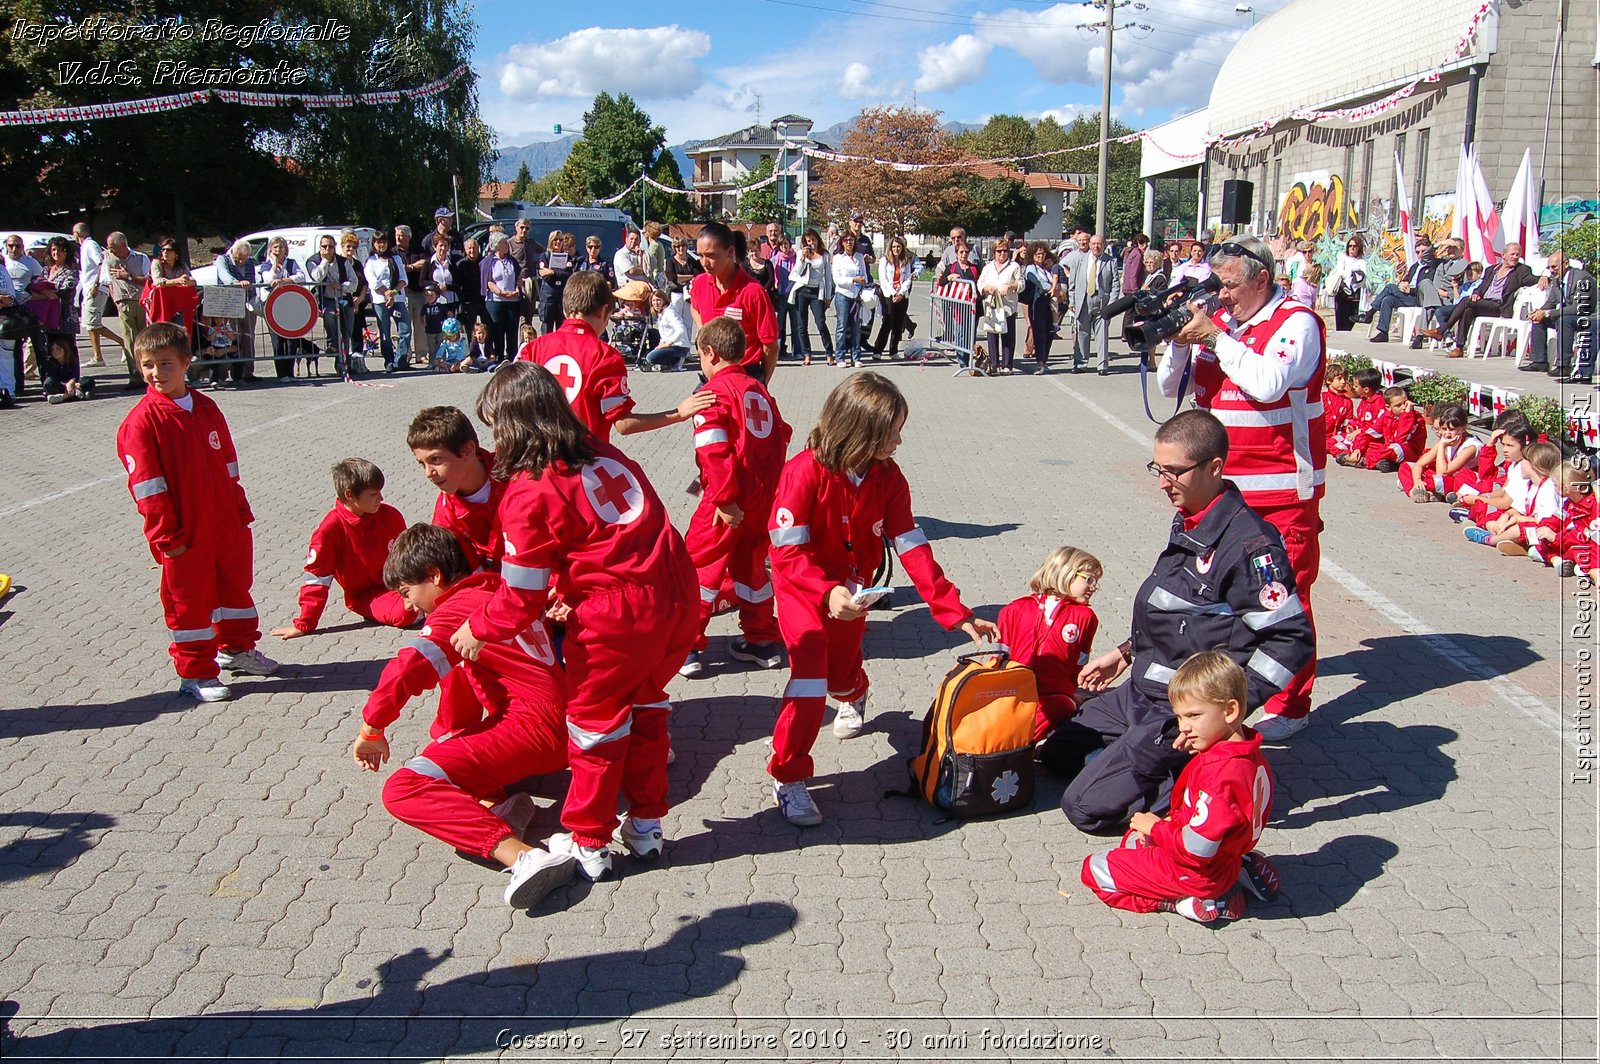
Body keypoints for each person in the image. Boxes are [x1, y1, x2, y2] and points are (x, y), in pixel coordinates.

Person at [449, 362, 700, 879]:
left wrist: (478, 629)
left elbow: (518, 599)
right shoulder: (606, 452)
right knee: (648, 706)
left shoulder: (529, 490)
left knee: (593, 727)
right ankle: (647, 825)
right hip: (676, 591)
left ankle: (589, 841)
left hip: (621, 616)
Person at [1038, 411, 1311, 831]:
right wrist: (1124, 654)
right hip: (1142, 692)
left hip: (1178, 709)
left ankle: (1198, 773)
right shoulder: (1194, 515)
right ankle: (1141, 756)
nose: (1163, 482)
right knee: (1056, 753)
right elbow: (1180, 612)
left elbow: (1290, 638)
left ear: (1214, 468)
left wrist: (1220, 714)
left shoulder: (1251, 546)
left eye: (1173, 472)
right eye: (1158, 469)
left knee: (1085, 808)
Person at [765, 372, 1000, 825]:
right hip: (802, 588)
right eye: (892, 432)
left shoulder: (888, 476)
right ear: (861, 430)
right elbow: (786, 552)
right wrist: (825, 590)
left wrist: (955, 612)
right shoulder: (803, 472)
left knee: (840, 672)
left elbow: (910, 543)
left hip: (855, 587)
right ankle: (789, 775)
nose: (899, 441)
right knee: (810, 675)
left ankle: (855, 692)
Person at [351, 523, 579, 911]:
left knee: (404, 789)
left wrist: (372, 726)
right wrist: (449, 741)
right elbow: (457, 690)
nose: (407, 606)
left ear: (435, 576)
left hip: (532, 728)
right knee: (447, 750)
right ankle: (499, 808)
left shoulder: (455, 610)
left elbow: (410, 667)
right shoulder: (497, 592)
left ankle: (524, 857)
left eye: (408, 592)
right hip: (563, 722)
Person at [1162, 236, 1325, 741]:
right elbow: (1172, 387)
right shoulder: (1225, 327)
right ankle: (1220, 695)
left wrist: (1214, 336)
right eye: (1218, 285)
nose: (1222, 295)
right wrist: (1176, 340)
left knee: (1282, 600)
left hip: (1279, 493)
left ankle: (1290, 705)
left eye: (1230, 285)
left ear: (1262, 279)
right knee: (1215, 596)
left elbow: (1269, 383)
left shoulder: (1297, 322)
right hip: (1220, 493)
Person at [115, 322, 280, 702]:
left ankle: (236, 650)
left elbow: (228, 465)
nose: (157, 373)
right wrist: (165, 537)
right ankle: (195, 673)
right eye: (148, 365)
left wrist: (239, 510)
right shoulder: (141, 423)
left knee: (233, 590)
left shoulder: (205, 407)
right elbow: (147, 489)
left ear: (186, 362)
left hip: (225, 524)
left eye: (166, 364)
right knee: (189, 604)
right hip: (184, 532)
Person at [1079, 651, 1279, 925]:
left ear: (1229, 711)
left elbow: (1198, 849)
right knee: (1132, 842)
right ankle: (1239, 868)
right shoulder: (1248, 754)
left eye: (1194, 716)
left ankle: (1193, 901)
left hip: (1198, 869)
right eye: (1180, 717)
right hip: (1223, 854)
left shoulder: (1220, 776)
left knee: (1095, 869)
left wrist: (1157, 828)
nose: (1184, 727)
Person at [680, 317, 793, 678]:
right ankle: (761, 641)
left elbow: (714, 449)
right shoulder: (758, 389)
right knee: (752, 570)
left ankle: (685, 646)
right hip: (764, 496)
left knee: (698, 568)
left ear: (710, 353)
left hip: (727, 498)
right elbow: (782, 434)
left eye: (700, 356)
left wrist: (725, 499)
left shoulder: (712, 393)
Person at [521, 271, 713, 444]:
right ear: (605, 311)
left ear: (564, 310)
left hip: (534, 463)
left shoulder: (531, 349)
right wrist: (678, 413)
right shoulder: (605, 356)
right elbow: (624, 424)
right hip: (584, 465)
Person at [269, 458, 416, 639]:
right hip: (368, 595)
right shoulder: (330, 529)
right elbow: (317, 579)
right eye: (373, 494)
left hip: (401, 585)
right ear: (349, 495)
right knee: (406, 613)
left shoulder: (391, 515)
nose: (381, 498)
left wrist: (413, 587)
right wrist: (305, 623)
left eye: (380, 492)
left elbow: (410, 558)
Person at [997, 546, 1101, 744]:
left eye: (1096, 582)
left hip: (1054, 695)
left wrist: (1070, 692)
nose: (1094, 586)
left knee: (1063, 706)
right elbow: (1001, 656)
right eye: (1088, 579)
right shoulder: (1015, 609)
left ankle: (1015, 742)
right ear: (1066, 573)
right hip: (1014, 692)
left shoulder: (1086, 617)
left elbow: (1079, 661)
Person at [409, 405, 508, 573]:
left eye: (435, 459)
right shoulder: (445, 516)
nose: (428, 473)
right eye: (422, 464)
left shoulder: (513, 474)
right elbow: (470, 575)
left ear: (467, 451)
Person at [686, 222, 781, 382]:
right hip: (711, 377)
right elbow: (695, 306)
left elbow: (770, 346)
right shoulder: (700, 283)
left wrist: (761, 383)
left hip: (744, 375)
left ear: (730, 252)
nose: (704, 262)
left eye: (711, 255)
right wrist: (702, 328)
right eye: (700, 255)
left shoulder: (753, 291)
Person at [1434, 242, 1537, 357]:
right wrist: (1477, 293)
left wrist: (1544, 278)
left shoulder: (1522, 270)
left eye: (1517, 255)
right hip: (1484, 303)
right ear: (1504, 255)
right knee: (1467, 310)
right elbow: (1481, 286)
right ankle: (1459, 348)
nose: (1515, 257)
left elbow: (1531, 279)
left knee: (1467, 301)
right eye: (1512, 254)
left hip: (1499, 305)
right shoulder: (1491, 270)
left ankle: (1442, 330)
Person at [1465, 441, 1563, 553]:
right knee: (1498, 516)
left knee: (1519, 529)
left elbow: (1547, 522)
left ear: (1534, 464)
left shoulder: (1548, 487)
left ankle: (1491, 539)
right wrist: (1506, 515)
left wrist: (1517, 519)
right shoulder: (1531, 484)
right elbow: (1519, 509)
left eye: (1524, 461)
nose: (1521, 464)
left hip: (1547, 531)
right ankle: (1512, 541)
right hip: (1533, 526)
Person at [1524, 249, 1597, 382]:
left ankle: (1564, 365)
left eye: (1554, 267)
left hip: (1589, 317)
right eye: (1549, 267)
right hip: (1570, 315)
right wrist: (1538, 312)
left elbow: (1578, 307)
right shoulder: (1556, 279)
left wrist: (1547, 313)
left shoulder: (1582, 278)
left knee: (1564, 320)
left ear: (1566, 264)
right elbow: (1551, 302)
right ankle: (1539, 361)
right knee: (1539, 320)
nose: (1551, 270)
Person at [1398, 404, 1478, 502]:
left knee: (1436, 481)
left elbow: (1442, 473)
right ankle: (1417, 492)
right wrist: (1417, 480)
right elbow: (1419, 464)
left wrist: (1442, 445)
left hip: (1459, 480)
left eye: (1452, 430)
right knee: (1406, 466)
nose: (1447, 434)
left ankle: (1418, 489)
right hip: (1444, 478)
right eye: (1444, 429)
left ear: (1463, 428)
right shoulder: (1446, 439)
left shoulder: (1471, 446)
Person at [1529, 462, 1597, 578]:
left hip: (1580, 545)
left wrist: (1556, 538)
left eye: (1555, 485)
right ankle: (1557, 561)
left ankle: (1557, 561)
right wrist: (1546, 526)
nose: (1554, 488)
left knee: (1579, 553)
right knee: (1537, 542)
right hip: (1566, 541)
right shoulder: (1569, 503)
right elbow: (1557, 517)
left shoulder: (1592, 506)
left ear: (1566, 489)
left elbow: (1583, 535)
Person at [102, 232, 151, 389]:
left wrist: (128, 277)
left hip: (142, 302)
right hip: (123, 303)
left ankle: (148, 374)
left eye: (113, 248)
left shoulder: (141, 258)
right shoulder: (108, 260)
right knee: (129, 341)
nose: (110, 251)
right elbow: (107, 281)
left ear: (123, 245)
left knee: (145, 340)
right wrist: (116, 299)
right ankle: (135, 376)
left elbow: (149, 281)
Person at [256, 236, 307, 379]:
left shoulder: (291, 263)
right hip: (272, 306)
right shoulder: (265, 265)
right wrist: (274, 263)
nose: (278, 250)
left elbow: (301, 276)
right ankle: (281, 374)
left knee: (292, 340)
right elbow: (269, 279)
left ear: (286, 250)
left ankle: (290, 372)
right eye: (275, 247)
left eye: (281, 247)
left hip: (289, 305)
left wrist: (284, 281)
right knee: (277, 340)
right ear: (270, 250)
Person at [72, 223, 121, 368]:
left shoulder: (90, 245)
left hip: (95, 289)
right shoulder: (84, 246)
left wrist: (96, 285)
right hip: (89, 288)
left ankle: (124, 344)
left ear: (77, 233)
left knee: (93, 323)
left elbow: (101, 264)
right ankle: (97, 356)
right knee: (89, 324)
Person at [364, 231, 411, 373]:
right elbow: (373, 282)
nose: (381, 245)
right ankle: (389, 361)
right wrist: (386, 293)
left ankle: (400, 360)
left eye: (383, 242)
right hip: (380, 301)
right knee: (385, 332)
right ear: (374, 244)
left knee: (406, 329)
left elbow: (403, 279)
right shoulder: (370, 261)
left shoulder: (395, 258)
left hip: (398, 298)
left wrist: (393, 293)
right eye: (378, 242)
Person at [787, 229, 833, 366]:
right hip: (802, 290)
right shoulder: (802, 253)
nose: (811, 243)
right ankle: (807, 354)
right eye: (808, 241)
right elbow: (795, 273)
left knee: (820, 322)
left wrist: (828, 296)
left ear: (817, 239)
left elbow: (828, 277)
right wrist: (802, 260)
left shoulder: (824, 255)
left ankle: (829, 353)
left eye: (813, 239)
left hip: (816, 291)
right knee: (802, 325)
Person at [977, 240, 1022, 374]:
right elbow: (980, 283)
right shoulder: (988, 267)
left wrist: (1010, 286)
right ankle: (994, 363)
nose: (1002, 254)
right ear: (994, 252)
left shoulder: (1014, 266)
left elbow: (1021, 283)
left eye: (1005, 251)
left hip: (1008, 306)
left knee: (1007, 335)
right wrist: (986, 288)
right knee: (992, 334)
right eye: (999, 251)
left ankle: (1007, 365)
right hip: (992, 306)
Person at [1021, 241, 1064, 376]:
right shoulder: (1031, 269)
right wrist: (1053, 288)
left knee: (1050, 332)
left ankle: (1044, 361)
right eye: (1038, 253)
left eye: (1043, 253)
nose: (1040, 255)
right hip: (1037, 303)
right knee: (1040, 333)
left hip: (1049, 303)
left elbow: (1056, 281)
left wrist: (1055, 288)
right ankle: (1039, 363)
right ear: (1032, 255)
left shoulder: (1047, 268)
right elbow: (1040, 282)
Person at [869, 236, 916, 359]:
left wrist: (901, 293)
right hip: (889, 295)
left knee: (898, 324)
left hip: (902, 295)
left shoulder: (905, 260)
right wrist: (893, 293)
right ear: (890, 247)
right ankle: (878, 350)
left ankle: (893, 350)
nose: (896, 249)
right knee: (887, 322)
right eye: (894, 246)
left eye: (899, 247)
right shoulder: (885, 260)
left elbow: (908, 279)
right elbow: (883, 279)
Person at [480, 233, 522, 364]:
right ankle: (498, 356)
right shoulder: (489, 261)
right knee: (497, 329)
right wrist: (501, 293)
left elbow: (519, 276)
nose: (507, 245)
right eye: (504, 243)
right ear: (497, 246)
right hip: (496, 301)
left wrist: (517, 290)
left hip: (512, 301)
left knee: (512, 329)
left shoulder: (511, 260)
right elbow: (489, 282)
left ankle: (512, 356)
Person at [1322, 235, 1368, 332]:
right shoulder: (1342, 257)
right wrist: (1352, 274)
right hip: (1342, 289)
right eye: (1350, 246)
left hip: (1355, 290)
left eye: (1354, 246)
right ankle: (1341, 330)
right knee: (1341, 313)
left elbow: (1363, 275)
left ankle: (1348, 330)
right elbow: (1340, 271)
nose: (1352, 248)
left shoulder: (1361, 261)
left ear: (1358, 247)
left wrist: (1353, 276)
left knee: (1353, 313)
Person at [642, 288, 691, 371]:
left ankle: (676, 361)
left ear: (664, 301)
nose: (655, 303)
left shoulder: (670, 313)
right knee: (648, 355)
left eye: (658, 300)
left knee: (650, 358)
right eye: (653, 301)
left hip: (679, 346)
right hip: (670, 346)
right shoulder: (661, 314)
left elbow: (681, 329)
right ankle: (666, 364)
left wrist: (668, 343)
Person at [536, 231, 574, 337]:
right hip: (548, 297)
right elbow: (545, 276)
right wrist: (559, 273)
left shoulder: (567, 257)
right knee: (546, 329)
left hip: (562, 297)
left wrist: (553, 272)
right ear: (551, 241)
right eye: (555, 239)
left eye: (560, 240)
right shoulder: (544, 256)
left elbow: (569, 275)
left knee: (562, 329)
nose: (558, 242)